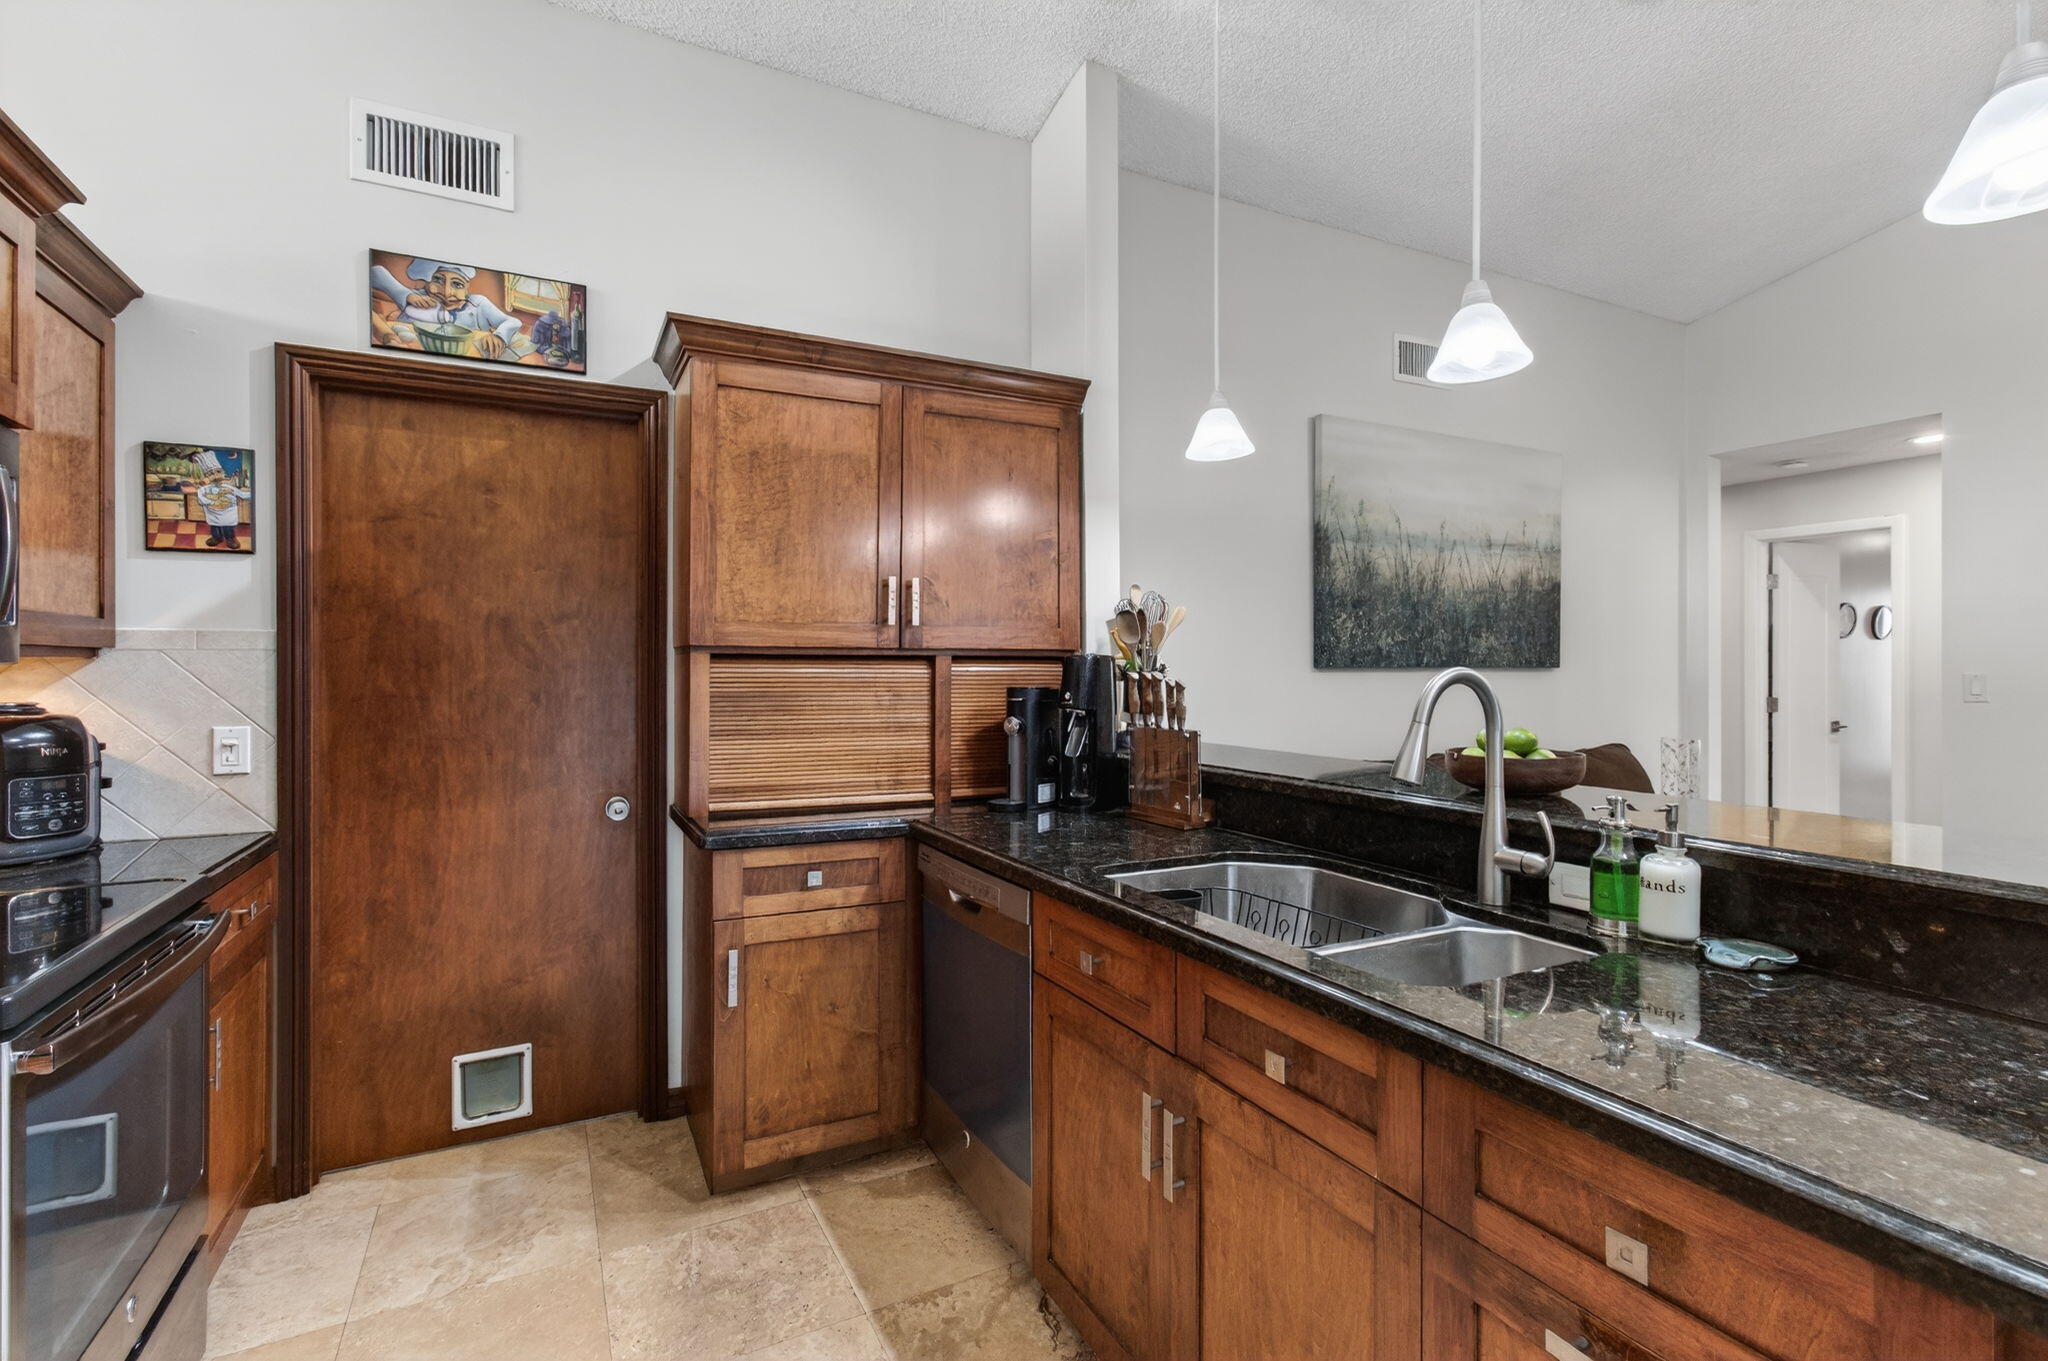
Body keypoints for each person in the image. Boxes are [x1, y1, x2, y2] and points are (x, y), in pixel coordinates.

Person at [369, 257, 524, 360]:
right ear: (427, 281)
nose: (447, 292)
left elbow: (513, 321)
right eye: (438, 280)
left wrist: (499, 335)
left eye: (457, 284)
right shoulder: (417, 299)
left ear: (467, 289)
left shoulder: (478, 304)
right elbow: (375, 273)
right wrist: (406, 295)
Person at [195, 468, 251, 549]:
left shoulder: (229, 488)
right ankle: (216, 538)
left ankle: (230, 539)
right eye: (213, 474)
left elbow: (243, 495)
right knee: (215, 526)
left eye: (219, 473)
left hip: (228, 512)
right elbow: (201, 499)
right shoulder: (204, 489)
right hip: (213, 512)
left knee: (228, 526)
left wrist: (257, 492)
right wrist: (211, 502)